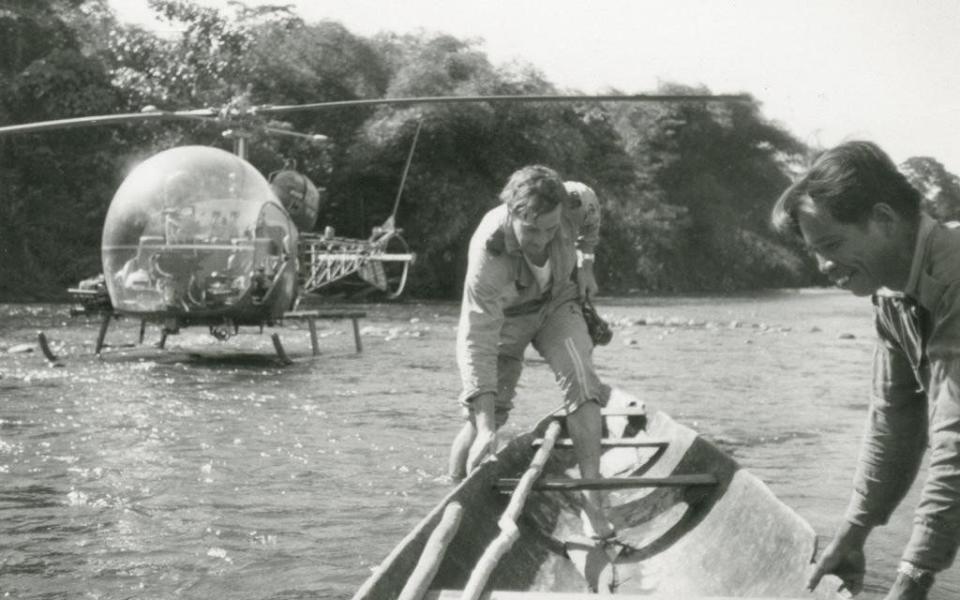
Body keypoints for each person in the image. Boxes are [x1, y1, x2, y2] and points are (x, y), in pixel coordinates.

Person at [771, 140, 960, 600]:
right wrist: (854, 533)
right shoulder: (892, 295)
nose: (824, 267)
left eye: (832, 245)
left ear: (884, 219)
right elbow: (893, 420)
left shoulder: (954, 275)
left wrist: (914, 576)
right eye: (815, 252)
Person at [448, 165, 623, 541]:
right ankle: (452, 494)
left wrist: (587, 262)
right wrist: (487, 429)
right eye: (531, 230)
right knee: (484, 418)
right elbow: (477, 339)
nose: (542, 240)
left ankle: (593, 499)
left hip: (557, 303)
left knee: (582, 380)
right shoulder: (488, 251)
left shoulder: (577, 200)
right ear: (511, 213)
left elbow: (591, 220)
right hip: (505, 321)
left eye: (551, 229)